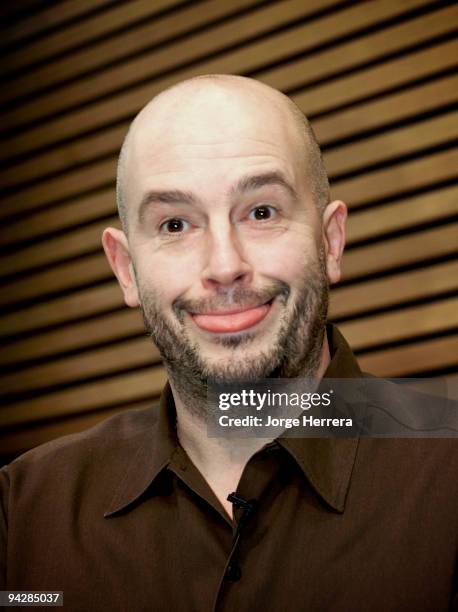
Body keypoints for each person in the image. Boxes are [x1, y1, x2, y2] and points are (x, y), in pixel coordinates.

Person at [0, 75, 456, 611]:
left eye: (261, 212)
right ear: (125, 269)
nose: (224, 266)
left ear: (331, 241)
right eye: (175, 224)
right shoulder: (25, 511)